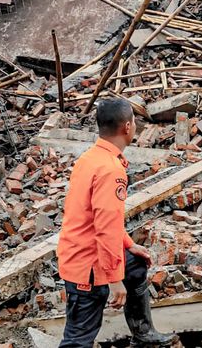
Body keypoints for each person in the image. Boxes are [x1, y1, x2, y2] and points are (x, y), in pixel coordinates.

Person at [57, 98, 177, 348]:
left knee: (135, 265)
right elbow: (105, 227)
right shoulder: (110, 170)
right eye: (134, 122)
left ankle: (143, 334)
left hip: (84, 250)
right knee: (78, 339)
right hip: (87, 266)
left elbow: (99, 217)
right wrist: (114, 279)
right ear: (126, 127)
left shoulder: (90, 158)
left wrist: (129, 245)